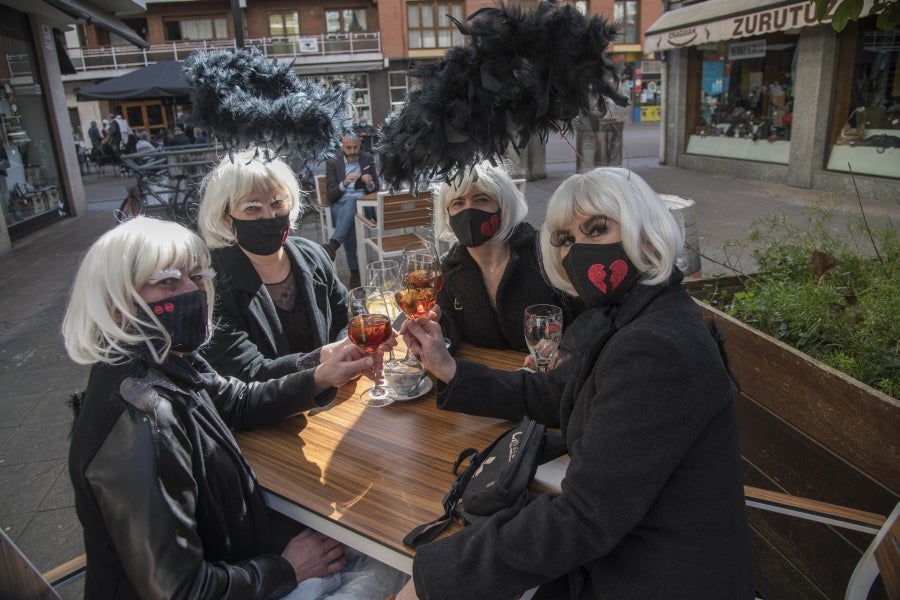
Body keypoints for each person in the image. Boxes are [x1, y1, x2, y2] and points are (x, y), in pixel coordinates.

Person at [397, 168, 755, 599]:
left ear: (645, 233)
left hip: (650, 575)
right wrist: (450, 370)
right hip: (614, 551)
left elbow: (584, 517)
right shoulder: (628, 316)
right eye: (565, 240)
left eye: (597, 228)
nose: (577, 250)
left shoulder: (652, 347)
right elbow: (550, 393)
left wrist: (437, 578)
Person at [62, 216, 405, 599]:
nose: (193, 291)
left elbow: (238, 399)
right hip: (247, 576)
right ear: (117, 302)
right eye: (168, 281)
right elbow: (181, 591)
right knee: (402, 566)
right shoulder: (141, 420)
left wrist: (322, 374)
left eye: (197, 276)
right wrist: (287, 568)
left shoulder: (164, 359)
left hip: (242, 552)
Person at [197, 150, 351, 382]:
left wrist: (347, 351)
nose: (269, 216)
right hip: (268, 414)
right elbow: (244, 371)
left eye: (277, 202)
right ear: (226, 218)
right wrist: (318, 363)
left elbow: (347, 314)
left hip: (332, 401)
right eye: (252, 207)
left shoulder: (314, 255)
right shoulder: (212, 283)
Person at [434, 161, 581, 353]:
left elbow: (586, 315)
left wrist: (566, 350)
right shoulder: (449, 269)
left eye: (481, 200)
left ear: (503, 206)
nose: (468, 212)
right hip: (490, 377)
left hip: (551, 375)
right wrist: (431, 331)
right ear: (448, 213)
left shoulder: (543, 252)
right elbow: (446, 332)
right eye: (458, 203)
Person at [323, 134, 379, 288]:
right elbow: (331, 194)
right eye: (348, 148)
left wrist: (369, 184)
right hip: (339, 207)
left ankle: (335, 246)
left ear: (359, 145)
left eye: (356, 147)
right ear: (342, 146)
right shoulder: (333, 161)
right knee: (351, 215)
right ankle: (356, 271)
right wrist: (344, 182)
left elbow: (377, 188)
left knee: (353, 204)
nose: (353, 151)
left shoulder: (367, 158)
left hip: (365, 207)